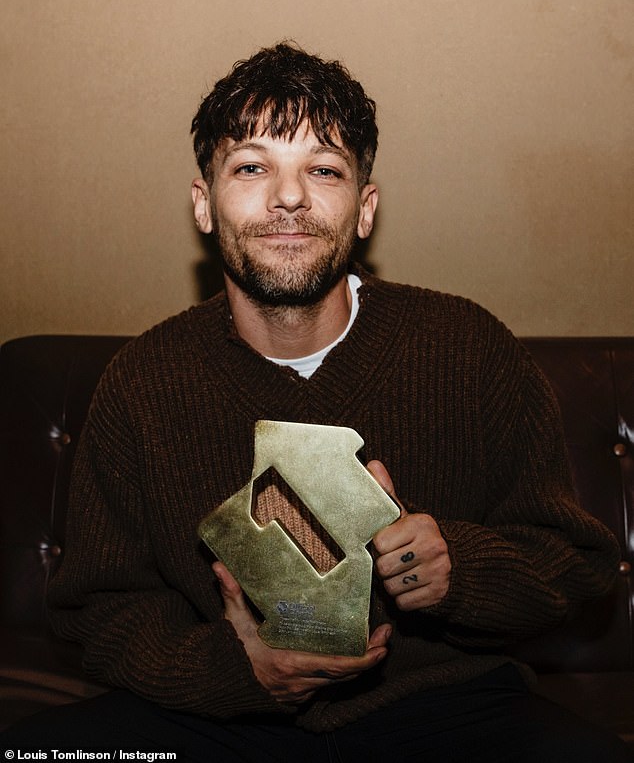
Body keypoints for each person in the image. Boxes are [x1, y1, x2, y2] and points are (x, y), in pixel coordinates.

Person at [2, 42, 631, 762]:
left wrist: (463, 566)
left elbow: (574, 563)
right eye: (251, 166)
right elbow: (97, 609)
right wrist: (230, 668)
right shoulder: (141, 379)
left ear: (365, 209)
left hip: (444, 706)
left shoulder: (470, 348)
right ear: (204, 205)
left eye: (323, 169)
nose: (289, 197)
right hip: (214, 715)